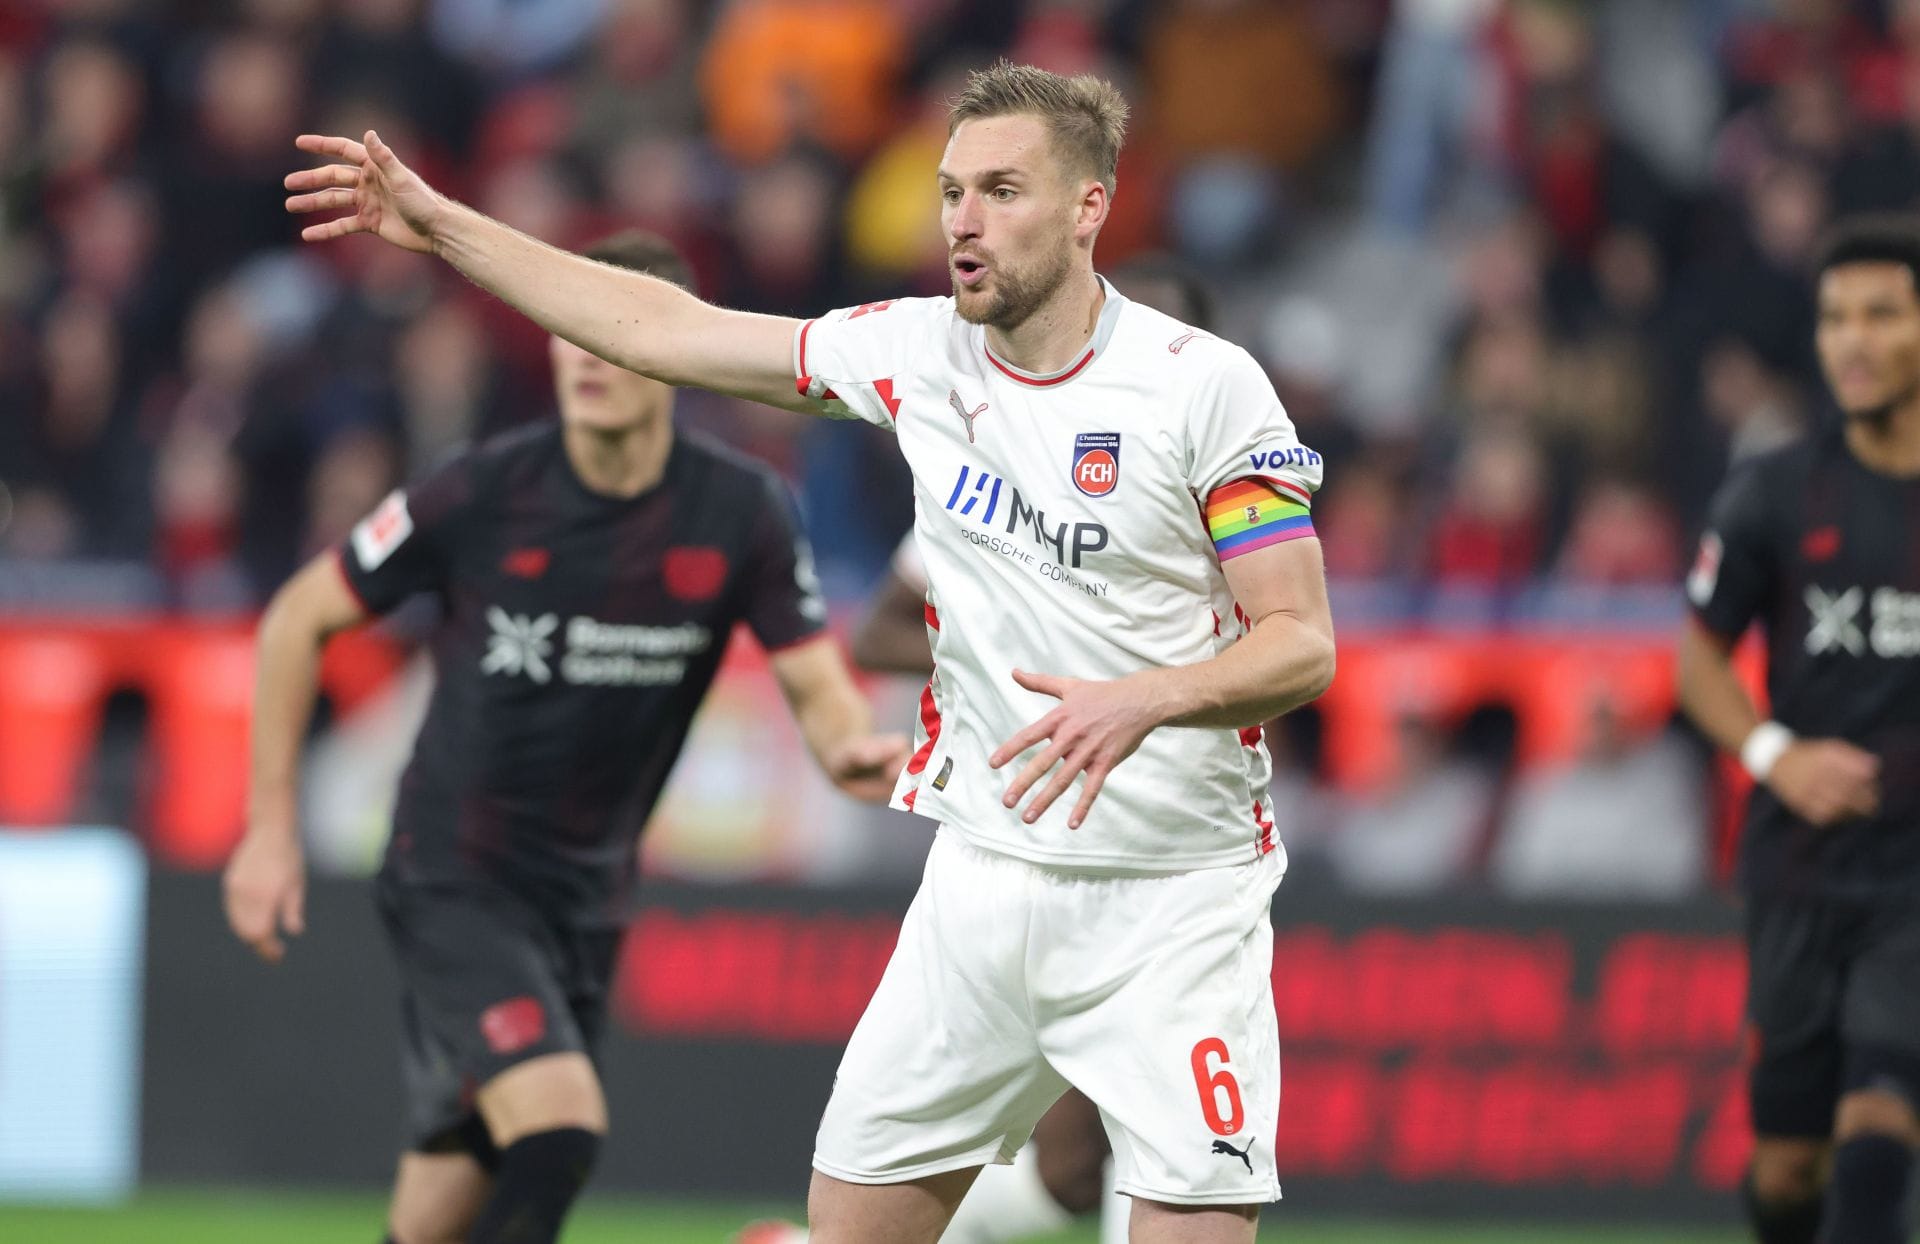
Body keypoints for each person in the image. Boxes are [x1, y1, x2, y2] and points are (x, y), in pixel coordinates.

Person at [282, 60, 1336, 1244]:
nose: (963, 222)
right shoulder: (918, 354)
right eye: (950, 192)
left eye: (1001, 189)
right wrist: (442, 228)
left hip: (1173, 899)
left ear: (1090, 206)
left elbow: (1301, 641)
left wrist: (1143, 699)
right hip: (982, 881)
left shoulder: (1205, 389)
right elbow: (665, 328)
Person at [221, 230, 909, 1244]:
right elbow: (296, 617)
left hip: (586, 899)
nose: (586, 354)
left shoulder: (741, 511)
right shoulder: (481, 489)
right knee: (558, 1127)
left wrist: (856, 750)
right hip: (454, 873)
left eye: (614, 330)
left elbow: (820, 690)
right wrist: (268, 827)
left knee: (439, 1211)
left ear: (678, 349)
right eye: (568, 330)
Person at [828, 257, 1218, 1244]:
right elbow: (877, 632)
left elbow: (1291, 650)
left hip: (1180, 850)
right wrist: (1025, 636)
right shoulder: (1013, 474)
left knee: (1098, 1160)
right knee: (1078, 1158)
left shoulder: (1230, 479)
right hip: (1028, 832)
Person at [1678, 213, 1920, 1244]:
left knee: (1877, 1121)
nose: (1852, 340)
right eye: (1834, 318)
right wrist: (1779, 756)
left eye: (1880, 313)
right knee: (1788, 1168)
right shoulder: (1775, 490)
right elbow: (1697, 659)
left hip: (1914, 873)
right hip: (1802, 867)